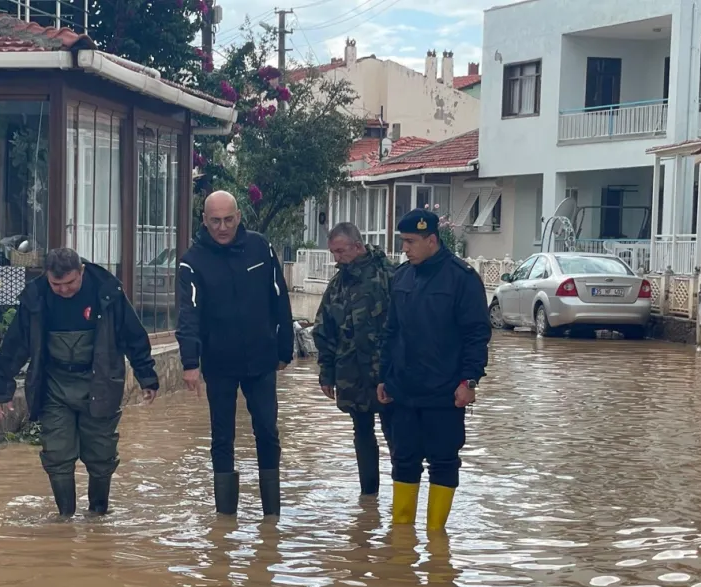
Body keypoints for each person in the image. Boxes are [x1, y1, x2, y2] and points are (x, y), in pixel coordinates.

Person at [0, 248, 159, 517]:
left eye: (70, 283)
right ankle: (65, 518)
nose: (64, 290)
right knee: (57, 454)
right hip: (53, 386)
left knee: (101, 454)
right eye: (56, 284)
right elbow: (15, 344)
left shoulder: (107, 291)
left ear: (81, 271)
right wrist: (2, 389)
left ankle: (98, 515)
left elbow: (133, 336)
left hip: (100, 382)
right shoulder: (36, 297)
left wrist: (147, 376)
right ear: (47, 277)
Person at [177, 190, 294, 517]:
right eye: (215, 221)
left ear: (239, 217)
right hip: (219, 361)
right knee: (222, 436)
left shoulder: (260, 247)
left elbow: (279, 297)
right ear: (204, 220)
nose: (223, 227)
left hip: (261, 357)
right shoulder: (192, 261)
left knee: (267, 430)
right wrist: (190, 362)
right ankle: (225, 520)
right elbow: (188, 314)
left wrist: (285, 347)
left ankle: (271, 515)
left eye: (228, 219)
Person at [377, 209, 491, 531]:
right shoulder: (401, 277)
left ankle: (437, 537)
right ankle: (402, 538)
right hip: (404, 390)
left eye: (411, 242)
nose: (405, 249)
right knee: (403, 461)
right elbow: (391, 331)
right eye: (402, 242)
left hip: (445, 392)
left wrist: (469, 381)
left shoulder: (462, 279)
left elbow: (476, 335)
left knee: (443, 462)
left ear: (432, 240)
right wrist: (383, 376)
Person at [312, 222, 397, 497]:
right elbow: (324, 330)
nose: (336, 258)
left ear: (358, 246)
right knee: (361, 432)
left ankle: (403, 494)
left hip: (387, 373)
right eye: (333, 253)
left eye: (340, 251)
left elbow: (408, 326)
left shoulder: (389, 275)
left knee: (396, 435)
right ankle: (368, 499)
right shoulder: (338, 285)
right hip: (351, 374)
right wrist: (326, 373)